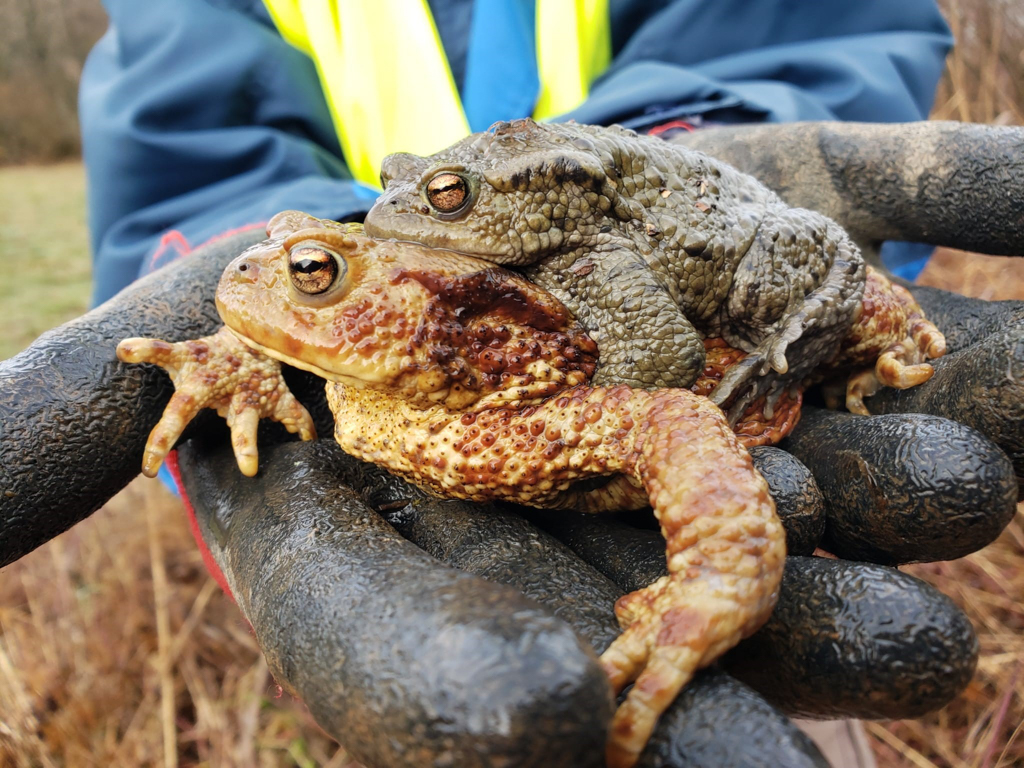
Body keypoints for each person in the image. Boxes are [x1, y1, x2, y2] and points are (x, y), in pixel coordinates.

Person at [77, 1, 961, 765]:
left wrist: (719, 574)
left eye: (311, 269)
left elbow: (664, 421)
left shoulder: (507, 415)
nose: (255, 280)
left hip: (686, 275)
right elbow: (190, 141)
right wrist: (234, 353)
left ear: (425, 318)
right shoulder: (379, 344)